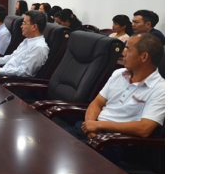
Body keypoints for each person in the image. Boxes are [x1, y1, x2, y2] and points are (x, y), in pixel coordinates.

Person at [64, 33, 164, 163]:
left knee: (64, 158)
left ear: (144, 57)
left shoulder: (161, 89)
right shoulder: (118, 74)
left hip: (114, 142)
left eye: (128, 49)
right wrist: (90, 127)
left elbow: (144, 128)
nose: (123, 53)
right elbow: (97, 103)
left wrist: (98, 125)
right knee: (50, 141)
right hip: (90, 129)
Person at [0, 10, 48, 78]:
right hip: (3, 74)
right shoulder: (27, 40)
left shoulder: (39, 47)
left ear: (34, 27)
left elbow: (24, 72)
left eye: (24, 23)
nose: (21, 26)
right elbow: (11, 57)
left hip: (11, 81)